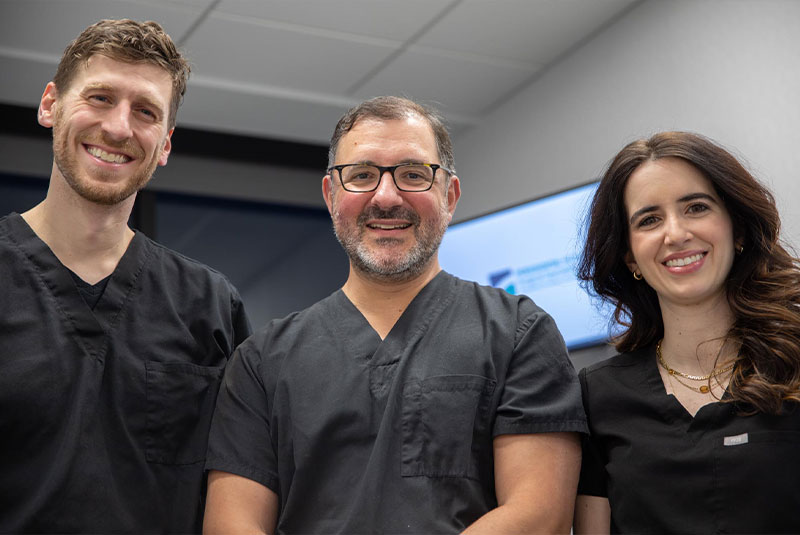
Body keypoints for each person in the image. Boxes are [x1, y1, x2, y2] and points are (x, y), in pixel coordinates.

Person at [203, 96, 587, 534]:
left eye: (412, 175)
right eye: (362, 175)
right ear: (332, 196)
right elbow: (232, 526)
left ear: (450, 195)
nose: (386, 197)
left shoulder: (517, 333)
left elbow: (539, 516)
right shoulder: (261, 362)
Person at [0, 19, 251, 533]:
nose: (118, 128)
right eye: (100, 98)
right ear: (51, 104)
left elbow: (240, 488)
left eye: (145, 112)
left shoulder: (210, 305)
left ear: (164, 144)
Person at [573, 131, 800, 533]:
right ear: (630, 256)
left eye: (696, 207)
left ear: (739, 230)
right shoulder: (597, 395)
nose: (675, 234)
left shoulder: (794, 360)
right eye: (649, 219)